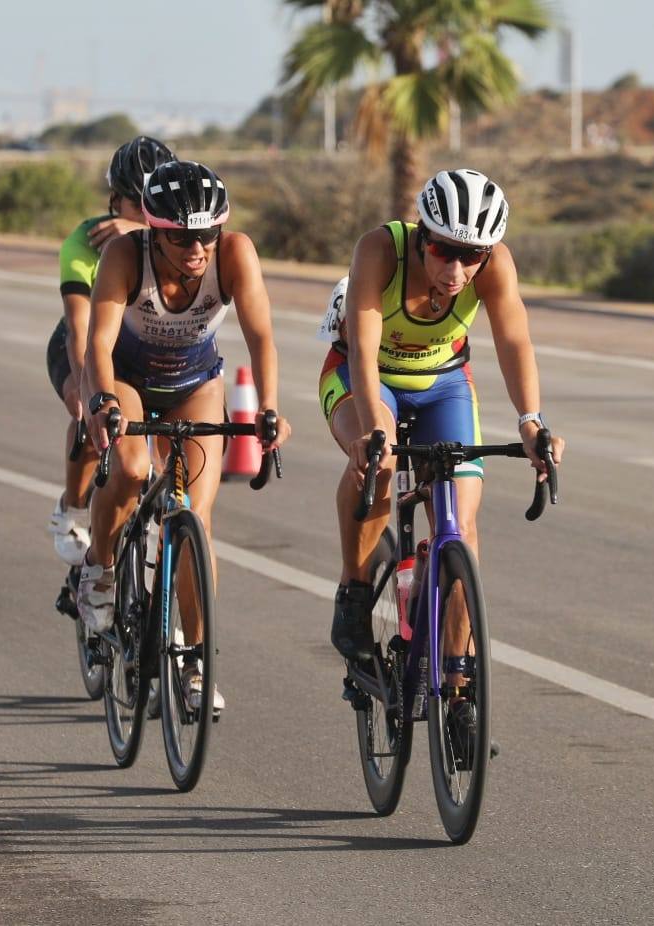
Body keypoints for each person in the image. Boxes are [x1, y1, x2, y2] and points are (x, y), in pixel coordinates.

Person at [319, 169, 565, 736]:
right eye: (442, 250)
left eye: (471, 256)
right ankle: (355, 594)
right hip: (366, 374)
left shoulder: (494, 267)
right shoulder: (380, 249)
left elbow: (512, 339)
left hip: (443, 383)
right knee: (376, 463)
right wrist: (375, 427)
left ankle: (457, 690)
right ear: (422, 234)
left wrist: (531, 422)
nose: (455, 270)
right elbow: (360, 345)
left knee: (462, 525)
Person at [79, 159, 291, 711]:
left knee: (194, 520)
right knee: (128, 469)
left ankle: (196, 661)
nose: (198, 248)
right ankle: (100, 569)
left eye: (208, 234)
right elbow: (98, 344)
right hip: (127, 379)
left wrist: (269, 407)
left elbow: (261, 335)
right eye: (181, 237)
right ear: (154, 230)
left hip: (195, 382)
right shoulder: (126, 255)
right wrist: (101, 401)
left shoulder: (235, 253)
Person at [45, 136, 175, 565]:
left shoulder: (175, 240)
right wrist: (90, 390)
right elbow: (81, 332)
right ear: (113, 201)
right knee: (87, 409)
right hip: (84, 343)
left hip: (145, 350)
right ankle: (73, 508)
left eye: (154, 201)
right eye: (138, 204)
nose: (149, 211)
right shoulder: (84, 242)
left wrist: (140, 231)